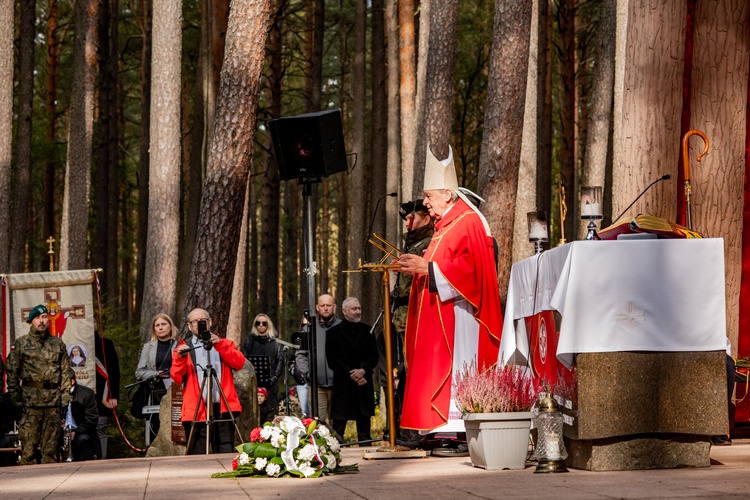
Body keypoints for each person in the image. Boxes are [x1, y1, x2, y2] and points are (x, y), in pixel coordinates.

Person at [398, 145, 502, 432]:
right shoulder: (444, 226)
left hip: (459, 318)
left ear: (447, 194)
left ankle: (455, 428)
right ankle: (438, 428)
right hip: (440, 315)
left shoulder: (468, 222)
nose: (425, 202)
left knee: (458, 370)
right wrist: (417, 267)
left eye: (429, 196)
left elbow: (474, 269)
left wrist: (429, 269)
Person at [170, 308, 244, 454]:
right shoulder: (184, 348)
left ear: (210, 322)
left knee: (226, 453)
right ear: (189, 326)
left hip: (223, 408)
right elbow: (176, 377)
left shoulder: (224, 344)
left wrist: (220, 345)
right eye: (195, 321)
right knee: (196, 456)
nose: (199, 324)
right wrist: (180, 358)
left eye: (202, 320)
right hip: (197, 410)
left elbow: (239, 363)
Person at [6, 304, 72, 464]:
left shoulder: (57, 344)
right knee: (28, 453)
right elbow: (12, 373)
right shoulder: (21, 344)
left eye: (44, 317)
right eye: (37, 318)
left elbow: (65, 373)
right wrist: (15, 400)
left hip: (52, 403)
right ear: (31, 322)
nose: (41, 321)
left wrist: (64, 399)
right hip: (30, 403)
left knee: (51, 453)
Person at [325, 297, 378, 444]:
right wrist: (354, 374)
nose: (358, 311)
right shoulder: (333, 333)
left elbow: (374, 356)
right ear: (344, 311)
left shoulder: (368, 330)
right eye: (354, 309)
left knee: (364, 433)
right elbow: (333, 360)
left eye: (359, 308)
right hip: (343, 384)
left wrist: (363, 371)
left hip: (364, 383)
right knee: (338, 432)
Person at [135, 314, 177, 444]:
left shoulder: (179, 345)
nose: (160, 328)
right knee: (155, 423)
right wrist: (155, 373)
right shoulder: (149, 347)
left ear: (170, 326)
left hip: (175, 390)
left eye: (163, 324)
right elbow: (139, 372)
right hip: (155, 390)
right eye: (157, 325)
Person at [241, 313, 284, 417]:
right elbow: (244, 359)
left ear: (268, 325)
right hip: (253, 381)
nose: (261, 325)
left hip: (271, 382)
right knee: (253, 411)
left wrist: (275, 377)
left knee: (271, 411)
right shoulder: (250, 340)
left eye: (264, 323)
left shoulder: (275, 342)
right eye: (258, 323)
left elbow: (281, 360)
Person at [64, 369, 101, 461]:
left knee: (83, 440)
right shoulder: (57, 394)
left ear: (72, 382)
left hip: (80, 431)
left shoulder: (86, 394)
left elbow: (91, 419)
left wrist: (75, 432)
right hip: (61, 431)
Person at [313, 294, 340, 421]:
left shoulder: (342, 327)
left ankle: (337, 442)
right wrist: (307, 373)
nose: (325, 308)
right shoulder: (309, 327)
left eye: (328, 305)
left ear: (334, 307)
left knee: (337, 422)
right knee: (318, 423)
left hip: (338, 384)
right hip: (316, 385)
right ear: (317, 307)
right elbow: (301, 353)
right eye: (322, 305)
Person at [94, 331, 120, 459]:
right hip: (81, 394)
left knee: (100, 427)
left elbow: (114, 369)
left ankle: (102, 460)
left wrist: (113, 395)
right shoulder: (77, 342)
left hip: (103, 393)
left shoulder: (106, 344)